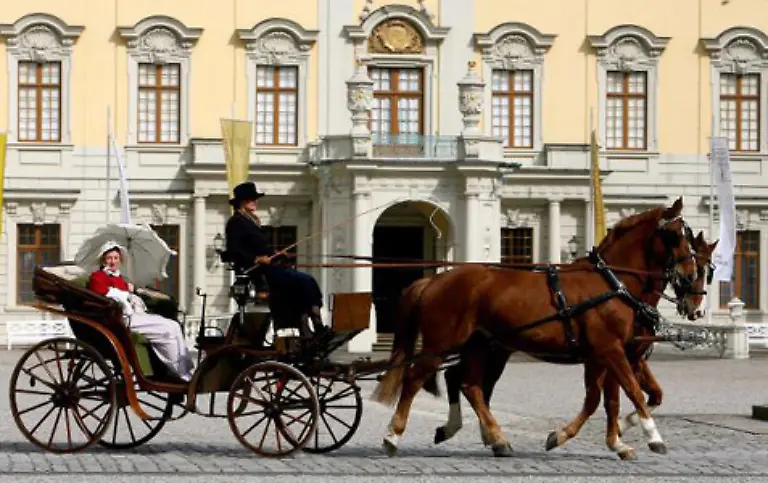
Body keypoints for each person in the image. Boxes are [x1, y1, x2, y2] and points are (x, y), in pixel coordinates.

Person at [224, 181, 330, 348]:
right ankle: (314, 324)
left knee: (305, 281)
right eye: (252, 200)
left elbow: (262, 247)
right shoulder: (235, 222)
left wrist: (277, 253)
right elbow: (234, 251)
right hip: (257, 272)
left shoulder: (251, 221)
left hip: (269, 267)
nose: (255, 203)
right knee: (303, 281)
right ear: (243, 202)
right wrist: (255, 259)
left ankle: (311, 326)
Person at [87, 242, 195, 382]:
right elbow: (103, 295)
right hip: (120, 318)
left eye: (115, 258)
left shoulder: (120, 278)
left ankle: (185, 367)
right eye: (109, 258)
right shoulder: (97, 276)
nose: (112, 261)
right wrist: (125, 294)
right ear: (103, 260)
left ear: (120, 260)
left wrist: (131, 292)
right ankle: (177, 371)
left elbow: (125, 294)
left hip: (133, 313)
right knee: (166, 330)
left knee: (173, 325)